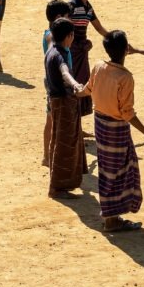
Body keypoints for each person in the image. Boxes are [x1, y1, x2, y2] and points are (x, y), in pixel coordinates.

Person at [88, 30, 144, 232]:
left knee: (107, 169)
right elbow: (127, 113)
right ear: (126, 49)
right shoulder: (125, 77)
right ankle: (112, 219)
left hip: (100, 125)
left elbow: (87, 89)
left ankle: (111, 215)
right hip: (116, 128)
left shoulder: (98, 66)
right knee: (120, 171)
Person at [45, 17, 91, 199]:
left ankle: (61, 185)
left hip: (57, 102)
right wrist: (76, 85)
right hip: (64, 102)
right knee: (64, 145)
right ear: (69, 36)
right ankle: (57, 188)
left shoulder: (52, 48)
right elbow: (65, 72)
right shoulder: (60, 55)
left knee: (59, 141)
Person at [68, 0, 111, 120]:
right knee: (75, 84)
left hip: (81, 51)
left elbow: (99, 28)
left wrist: (114, 39)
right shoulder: (71, 6)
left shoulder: (88, 7)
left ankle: (76, 123)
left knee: (81, 83)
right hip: (73, 51)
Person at [42, 0, 73, 167]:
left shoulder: (51, 34)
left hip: (53, 80)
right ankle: (50, 156)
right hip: (57, 82)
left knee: (51, 119)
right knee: (54, 121)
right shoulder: (52, 37)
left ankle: (47, 156)